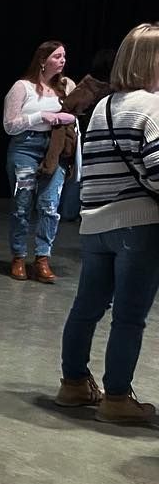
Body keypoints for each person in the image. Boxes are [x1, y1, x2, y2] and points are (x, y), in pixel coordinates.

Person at [55, 23, 159, 425]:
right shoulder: (152, 107)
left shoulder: (103, 107)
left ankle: (74, 384)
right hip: (138, 225)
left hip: (96, 226)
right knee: (129, 317)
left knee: (86, 308)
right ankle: (117, 397)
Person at [3, 41, 76, 281]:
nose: (62, 60)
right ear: (43, 60)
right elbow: (9, 125)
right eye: (57, 56)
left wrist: (68, 119)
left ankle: (42, 258)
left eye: (64, 56)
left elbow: (75, 114)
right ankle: (18, 256)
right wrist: (41, 116)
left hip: (54, 148)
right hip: (26, 147)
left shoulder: (66, 86)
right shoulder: (22, 87)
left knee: (49, 205)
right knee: (22, 204)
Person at [47, 49, 117, 221]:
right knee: (80, 175)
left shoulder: (95, 85)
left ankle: (75, 211)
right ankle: (71, 211)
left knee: (83, 175)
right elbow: (69, 108)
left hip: (95, 136)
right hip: (90, 137)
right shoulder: (94, 87)